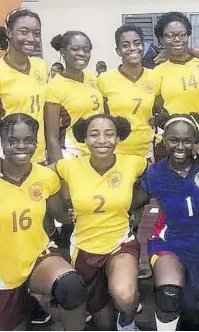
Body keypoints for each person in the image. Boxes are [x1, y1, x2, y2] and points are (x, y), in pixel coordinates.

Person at [0, 113, 87, 331]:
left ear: (37, 142)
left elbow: (59, 216)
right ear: (2, 143)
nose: (22, 146)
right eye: (13, 141)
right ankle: (30, 305)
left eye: (29, 140)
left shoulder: (46, 176)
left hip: (38, 256)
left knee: (71, 286)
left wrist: (80, 214)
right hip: (2, 267)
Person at [55, 114, 146, 331]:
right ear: (84, 139)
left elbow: (163, 173)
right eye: (94, 134)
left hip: (120, 242)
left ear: (118, 138)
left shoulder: (134, 163)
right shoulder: (68, 166)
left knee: (124, 296)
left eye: (109, 134)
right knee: (104, 324)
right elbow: (34, 174)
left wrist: (136, 202)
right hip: (85, 247)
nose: (102, 140)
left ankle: (128, 318)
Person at [142, 112, 199, 331]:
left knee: (198, 313)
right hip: (168, 242)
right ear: (163, 140)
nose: (180, 146)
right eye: (174, 140)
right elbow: (131, 203)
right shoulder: (154, 173)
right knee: (169, 296)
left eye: (187, 140)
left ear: (196, 141)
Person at [0, 8, 49, 169]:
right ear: (9, 33)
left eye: (36, 33)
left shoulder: (41, 66)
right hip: (8, 156)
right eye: (24, 32)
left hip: (38, 153)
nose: (32, 38)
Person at [97, 25, 162, 159]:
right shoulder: (105, 79)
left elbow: (160, 109)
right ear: (118, 51)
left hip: (146, 151)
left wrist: (156, 119)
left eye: (137, 43)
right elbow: (101, 116)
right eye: (126, 45)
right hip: (115, 152)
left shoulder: (155, 76)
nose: (132, 48)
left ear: (143, 46)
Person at [45, 31, 104, 163]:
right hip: (72, 154)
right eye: (75, 49)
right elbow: (51, 137)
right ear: (63, 52)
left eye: (86, 50)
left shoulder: (92, 79)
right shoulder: (54, 87)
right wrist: (59, 168)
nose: (82, 54)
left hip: (97, 153)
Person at [154, 12, 199, 119]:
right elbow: (155, 106)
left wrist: (190, 50)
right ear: (161, 39)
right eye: (170, 35)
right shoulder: (158, 71)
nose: (177, 39)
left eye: (182, 35)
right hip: (174, 132)